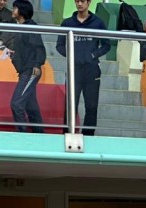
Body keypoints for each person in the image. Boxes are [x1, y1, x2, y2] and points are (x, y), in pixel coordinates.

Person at [56, 0, 110, 137]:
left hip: (92, 70)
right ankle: (67, 134)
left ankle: (88, 137)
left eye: (82, 1)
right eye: (77, 1)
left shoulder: (98, 23)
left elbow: (106, 45)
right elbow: (59, 45)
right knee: (70, 105)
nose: (79, 4)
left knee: (91, 106)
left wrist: (93, 55)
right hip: (74, 69)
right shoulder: (67, 23)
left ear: (89, 2)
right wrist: (72, 55)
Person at [9, 0, 45, 134]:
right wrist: (15, 55)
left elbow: (39, 47)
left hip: (31, 70)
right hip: (25, 70)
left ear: (22, 11)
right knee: (31, 107)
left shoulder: (30, 27)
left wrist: (37, 64)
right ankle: (40, 135)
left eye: (15, 8)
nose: (12, 11)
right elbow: (27, 49)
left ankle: (22, 135)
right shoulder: (21, 27)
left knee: (16, 104)